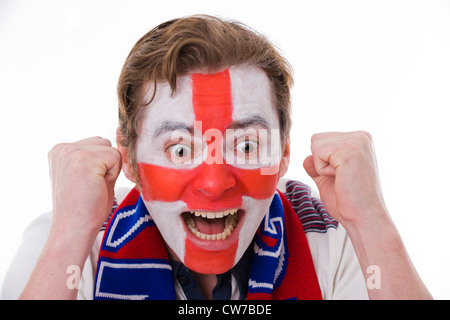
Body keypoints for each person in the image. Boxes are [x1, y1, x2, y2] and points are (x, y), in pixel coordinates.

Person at [2, 15, 431, 300]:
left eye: (246, 146)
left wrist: (372, 223)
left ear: (283, 154)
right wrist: (69, 235)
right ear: (129, 159)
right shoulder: (73, 242)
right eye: (181, 148)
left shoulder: (337, 238)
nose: (214, 182)